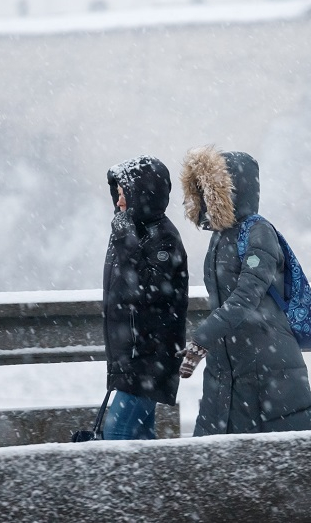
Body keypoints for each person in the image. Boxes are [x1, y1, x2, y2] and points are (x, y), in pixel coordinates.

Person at [177, 145, 311, 436]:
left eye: (211, 188)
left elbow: (246, 296)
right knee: (215, 463)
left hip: (267, 364)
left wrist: (203, 338)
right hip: (227, 365)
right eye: (201, 189)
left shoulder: (258, 232)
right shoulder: (220, 237)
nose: (205, 196)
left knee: (277, 464)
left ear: (232, 190)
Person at [102, 155, 189, 440]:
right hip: (133, 359)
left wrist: (126, 242)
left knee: (118, 434)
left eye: (124, 191)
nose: (118, 198)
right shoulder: (130, 230)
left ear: (143, 193)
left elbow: (145, 292)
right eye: (117, 191)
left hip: (149, 360)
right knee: (140, 441)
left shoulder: (163, 237)